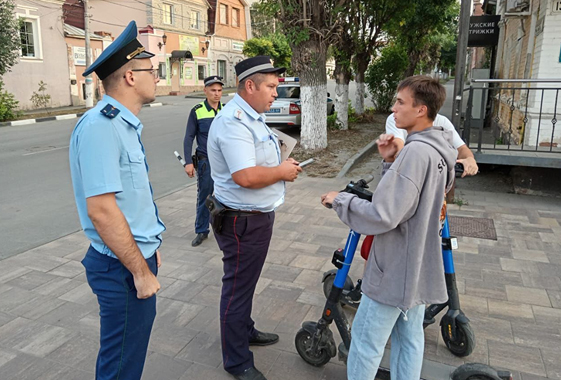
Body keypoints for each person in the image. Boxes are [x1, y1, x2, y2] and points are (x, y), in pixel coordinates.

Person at [321, 76, 457, 380]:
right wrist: (390, 161)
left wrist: (341, 201)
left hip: (395, 268)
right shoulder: (439, 150)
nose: (393, 108)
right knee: (409, 341)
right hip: (419, 265)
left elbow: (384, 214)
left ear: (421, 109)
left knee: (366, 343)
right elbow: (412, 196)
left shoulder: (416, 152)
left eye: (400, 102)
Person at [68, 20, 165, 380]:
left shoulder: (120, 124)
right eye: (151, 71)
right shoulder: (101, 126)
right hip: (121, 269)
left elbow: (130, 201)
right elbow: (102, 211)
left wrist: (150, 246)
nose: (156, 77)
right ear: (129, 77)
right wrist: (140, 269)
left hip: (132, 258)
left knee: (128, 356)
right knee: (121, 365)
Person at [207, 56, 302, 380]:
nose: (276, 93)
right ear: (250, 85)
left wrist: (281, 165)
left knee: (245, 285)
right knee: (236, 288)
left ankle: (244, 330)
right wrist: (281, 172)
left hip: (253, 217)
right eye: (272, 87)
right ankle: (237, 361)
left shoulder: (252, 116)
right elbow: (245, 176)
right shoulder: (235, 121)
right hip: (242, 221)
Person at [183, 75, 225, 247]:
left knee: (226, 196)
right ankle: (202, 231)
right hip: (206, 162)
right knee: (205, 197)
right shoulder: (197, 110)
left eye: (219, 90)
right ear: (205, 91)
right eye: (213, 90)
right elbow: (188, 138)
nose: (217, 94)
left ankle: (223, 228)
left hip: (225, 163)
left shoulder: (227, 110)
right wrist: (188, 162)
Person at [386, 112, 478, 177]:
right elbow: (398, 146)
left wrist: (470, 159)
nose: (394, 108)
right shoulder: (395, 118)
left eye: (401, 102)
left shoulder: (442, 121)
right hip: (405, 174)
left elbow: (461, 148)